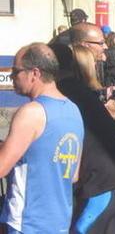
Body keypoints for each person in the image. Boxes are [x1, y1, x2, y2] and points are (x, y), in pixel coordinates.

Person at [59, 23, 115, 233]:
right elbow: (109, 127)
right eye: (100, 44)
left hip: (102, 184)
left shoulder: (71, 91)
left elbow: (107, 126)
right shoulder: (80, 91)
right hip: (112, 182)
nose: (104, 52)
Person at [0, 43, 84, 233]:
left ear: (34, 73)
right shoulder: (73, 109)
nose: (12, 77)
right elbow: (73, 175)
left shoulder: (31, 113)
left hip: (27, 223)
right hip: (59, 222)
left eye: (16, 71)